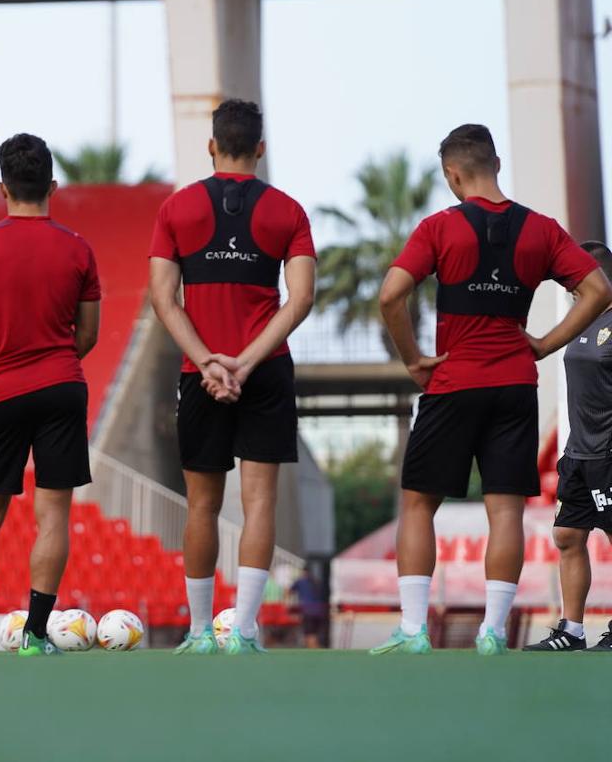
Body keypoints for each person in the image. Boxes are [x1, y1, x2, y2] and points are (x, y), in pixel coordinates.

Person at [373, 124, 611, 655]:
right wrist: (545, 344)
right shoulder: (542, 230)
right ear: (497, 163)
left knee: (418, 504)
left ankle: (413, 631)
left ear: (452, 175)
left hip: (453, 382)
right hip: (514, 386)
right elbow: (598, 289)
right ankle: (493, 633)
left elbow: (391, 294)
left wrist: (413, 359)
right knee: (503, 511)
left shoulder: (440, 227)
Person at [148, 98, 316, 655]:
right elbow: (301, 299)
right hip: (264, 371)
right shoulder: (288, 211)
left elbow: (164, 299)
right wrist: (246, 361)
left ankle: (199, 633)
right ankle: (242, 631)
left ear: (212, 146)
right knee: (260, 502)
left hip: (202, 374)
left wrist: (208, 362)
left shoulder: (177, 209)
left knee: (201, 505)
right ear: (261, 149)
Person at [0, 133, 100, 656]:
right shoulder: (78, 247)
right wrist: (54, 361)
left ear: (2, 187)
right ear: (52, 186)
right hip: (62, 385)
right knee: (53, 514)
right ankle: (36, 635)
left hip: (3, 389)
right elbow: (88, 335)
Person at [524, 241, 612, 653]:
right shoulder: (579, 323)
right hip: (578, 454)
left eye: (576, 275)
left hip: (609, 454)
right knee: (566, 536)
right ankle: (572, 631)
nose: (570, 283)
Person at [289, 566, 329, 649]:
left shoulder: (300, 581)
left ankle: (315, 654)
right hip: (320, 610)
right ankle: (316, 650)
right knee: (315, 634)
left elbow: (289, 592)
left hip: (308, 610)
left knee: (309, 634)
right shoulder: (317, 581)